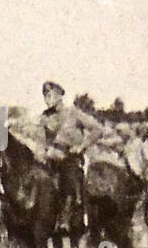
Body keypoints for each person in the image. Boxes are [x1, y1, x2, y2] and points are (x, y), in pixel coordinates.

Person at [39, 81, 103, 235]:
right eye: (44, 96)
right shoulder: (45, 117)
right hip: (50, 158)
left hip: (71, 157)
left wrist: (82, 146)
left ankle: (65, 219)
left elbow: (97, 129)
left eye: (50, 95)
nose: (46, 99)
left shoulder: (73, 113)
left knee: (68, 175)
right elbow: (39, 137)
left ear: (60, 95)